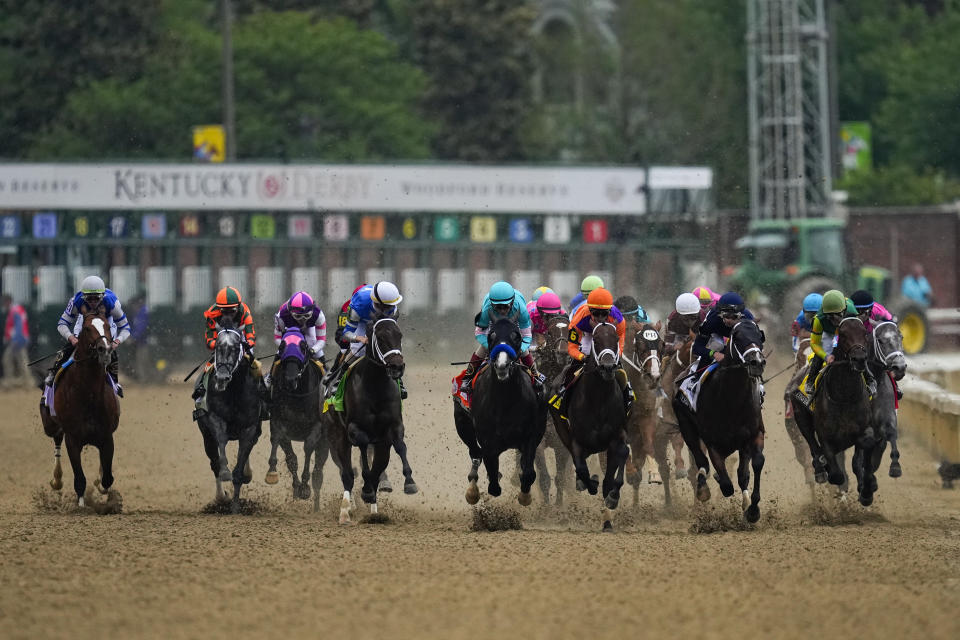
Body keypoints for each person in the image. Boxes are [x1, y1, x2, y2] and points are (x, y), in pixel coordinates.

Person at [42, 275, 130, 398]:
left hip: (106, 319)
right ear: (84, 297)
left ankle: (115, 381)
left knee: (108, 350)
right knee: (69, 348)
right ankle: (53, 373)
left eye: (96, 298)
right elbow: (62, 324)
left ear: (102, 296)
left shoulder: (112, 303)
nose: (93, 302)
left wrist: (116, 341)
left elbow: (126, 328)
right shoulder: (76, 301)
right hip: (85, 319)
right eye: (89, 299)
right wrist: (72, 338)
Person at [329, 281, 407, 399]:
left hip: (382, 321)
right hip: (362, 321)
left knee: (391, 344)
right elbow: (346, 334)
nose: (391, 308)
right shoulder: (360, 304)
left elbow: (392, 330)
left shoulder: (392, 307)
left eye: (392, 306)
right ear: (378, 304)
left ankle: (399, 380)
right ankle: (339, 379)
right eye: (387, 307)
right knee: (358, 351)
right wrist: (359, 338)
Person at [564, 287, 633, 414]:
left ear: (609, 311)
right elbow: (571, 347)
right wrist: (582, 357)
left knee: (620, 369)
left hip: (608, 335)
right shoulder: (579, 318)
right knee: (574, 367)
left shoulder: (617, 318)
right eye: (596, 313)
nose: (600, 317)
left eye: (604, 313)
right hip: (587, 335)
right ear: (589, 310)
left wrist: (618, 355)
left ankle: (628, 395)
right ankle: (564, 396)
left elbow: (620, 337)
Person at [460, 281, 539, 393]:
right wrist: (491, 346)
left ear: (512, 303)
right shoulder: (487, 309)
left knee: (525, 350)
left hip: (514, 326)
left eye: (505, 307)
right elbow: (480, 333)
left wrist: (520, 349)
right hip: (494, 326)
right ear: (492, 304)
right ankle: (467, 378)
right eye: (498, 307)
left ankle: (536, 377)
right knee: (482, 349)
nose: (502, 311)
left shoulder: (521, 309)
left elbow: (526, 335)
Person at [192, 286, 261, 404]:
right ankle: (200, 390)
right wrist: (219, 345)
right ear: (219, 309)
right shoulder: (212, 313)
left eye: (232, 311)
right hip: (221, 336)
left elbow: (251, 336)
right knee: (211, 364)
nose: (228, 314)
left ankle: (261, 392)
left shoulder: (245, 312)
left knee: (254, 365)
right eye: (224, 312)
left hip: (240, 335)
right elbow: (209, 340)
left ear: (238, 307)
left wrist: (246, 344)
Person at [805, 289, 876, 396]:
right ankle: (811, 380)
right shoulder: (818, 320)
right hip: (829, 333)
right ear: (825, 314)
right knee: (825, 348)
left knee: (857, 349)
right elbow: (814, 343)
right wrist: (825, 356)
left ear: (844, 310)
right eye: (830, 316)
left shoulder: (851, 309)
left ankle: (869, 379)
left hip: (846, 329)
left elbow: (856, 332)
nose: (835, 320)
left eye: (837, 315)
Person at [273, 291, 327, 362]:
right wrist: (286, 347)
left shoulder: (319, 315)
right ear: (290, 311)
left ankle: (325, 369)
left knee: (313, 343)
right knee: (281, 351)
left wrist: (312, 350)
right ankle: (271, 372)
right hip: (290, 329)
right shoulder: (282, 315)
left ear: (312, 311)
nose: (302, 320)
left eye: (307, 316)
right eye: (298, 316)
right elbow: (278, 338)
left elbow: (321, 340)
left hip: (309, 328)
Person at [2, 295, 31, 388]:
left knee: (9, 360)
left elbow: (19, 327)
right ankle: (26, 382)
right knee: (21, 362)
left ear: (8, 302)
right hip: (18, 340)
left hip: (18, 341)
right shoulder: (16, 310)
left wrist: (15, 340)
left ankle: (15, 382)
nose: (3, 305)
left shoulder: (15, 311)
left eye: (4, 303)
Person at [663, 292, 706, 356]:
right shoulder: (672, 320)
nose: (690, 322)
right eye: (686, 318)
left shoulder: (703, 317)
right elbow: (667, 347)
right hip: (678, 338)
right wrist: (674, 348)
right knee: (666, 357)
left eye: (693, 317)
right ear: (678, 314)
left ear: (698, 312)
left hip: (698, 337)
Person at [129, 294, 151, 382]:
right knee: (142, 361)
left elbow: (141, 327)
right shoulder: (139, 312)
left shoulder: (143, 312)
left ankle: (145, 379)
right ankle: (145, 379)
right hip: (142, 342)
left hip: (145, 343)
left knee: (144, 361)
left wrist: (132, 337)